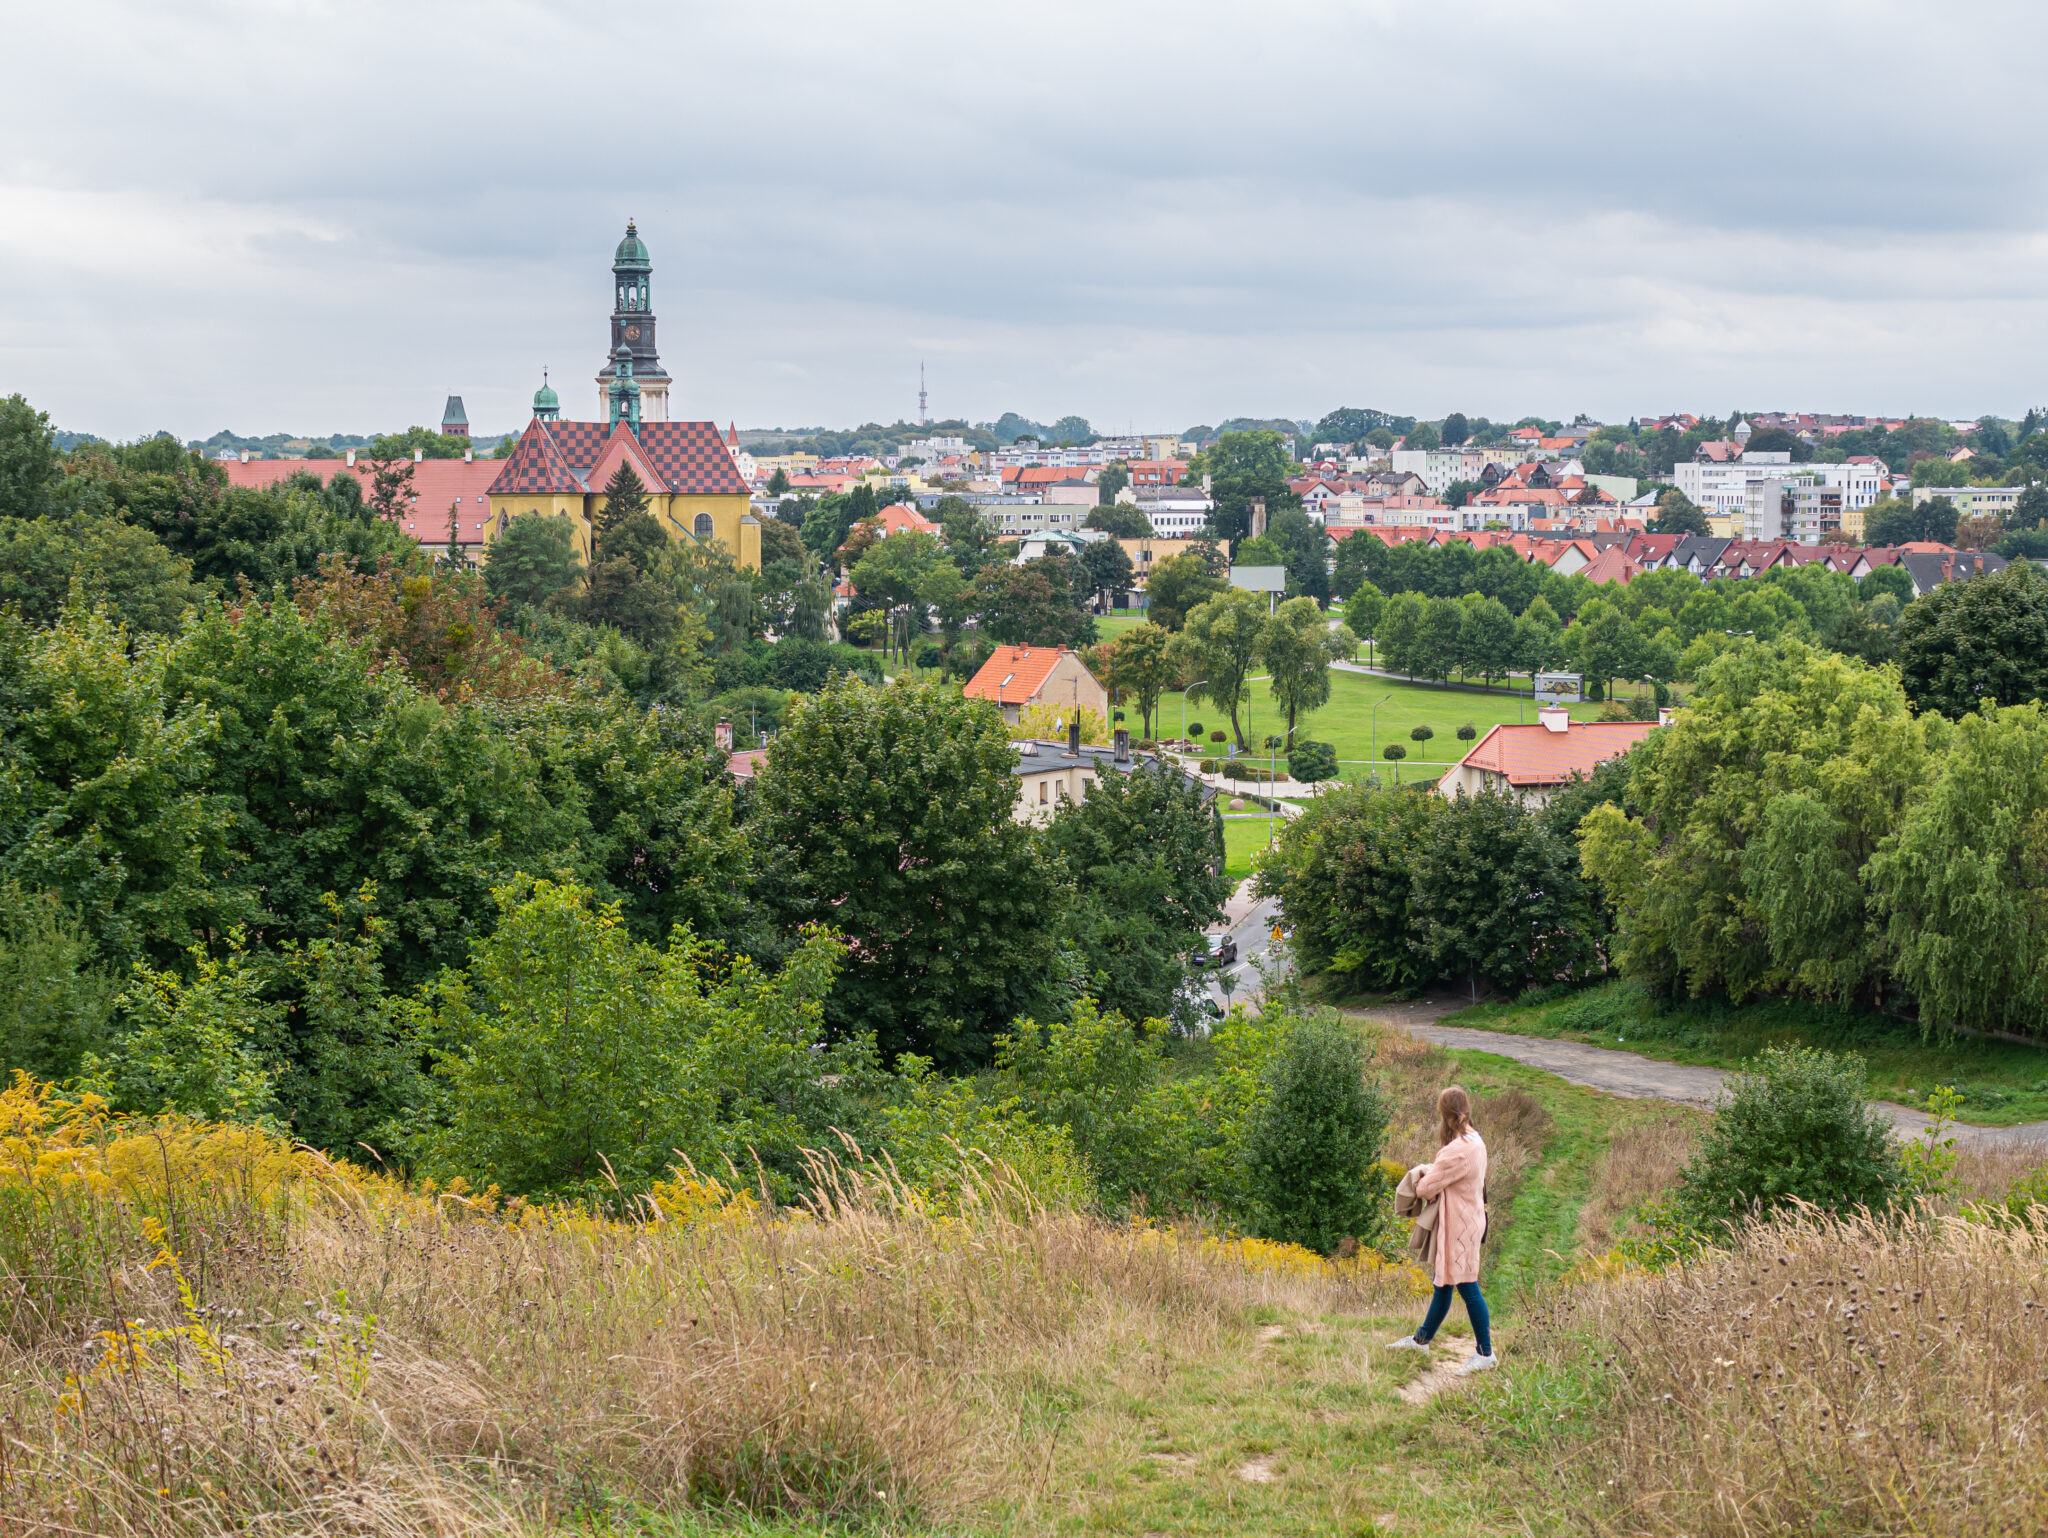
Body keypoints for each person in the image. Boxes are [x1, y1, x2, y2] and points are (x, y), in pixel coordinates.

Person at [1385, 1086, 1496, 1373]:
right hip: (1470, 1219)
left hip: (1458, 1224)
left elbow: (1424, 1188)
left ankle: (1485, 1353)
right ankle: (1421, 1340)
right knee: (1443, 1282)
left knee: (1467, 1285)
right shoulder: (1476, 1141)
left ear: (1443, 1114)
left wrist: (1422, 1171)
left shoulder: (1456, 1151)